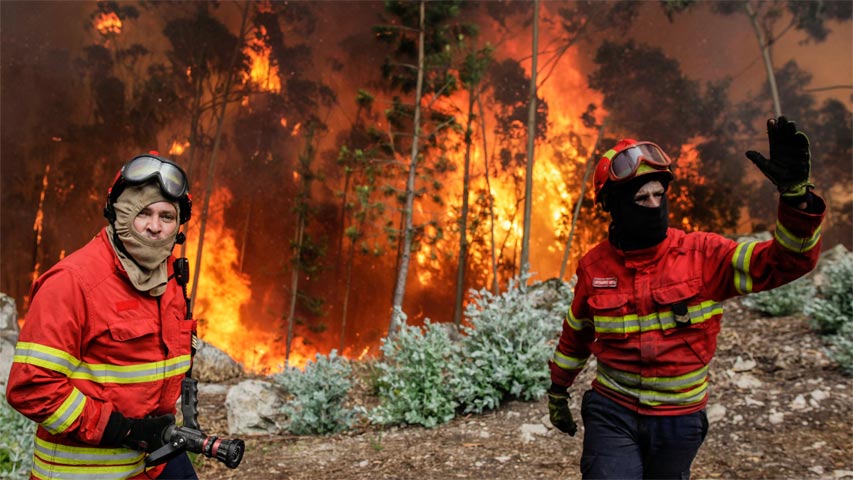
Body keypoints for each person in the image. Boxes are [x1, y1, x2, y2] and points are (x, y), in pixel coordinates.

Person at [547, 117, 825, 479]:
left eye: (658, 195)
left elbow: (784, 262)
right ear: (614, 206)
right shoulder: (594, 267)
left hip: (679, 419)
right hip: (612, 411)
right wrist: (558, 389)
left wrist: (796, 199)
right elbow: (576, 335)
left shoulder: (704, 255)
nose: (653, 204)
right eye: (641, 197)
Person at [6, 154, 199, 479]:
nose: (155, 227)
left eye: (167, 216)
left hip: (155, 462)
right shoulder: (72, 283)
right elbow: (30, 388)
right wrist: (122, 430)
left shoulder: (171, 280)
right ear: (119, 214)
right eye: (143, 213)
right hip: (87, 471)